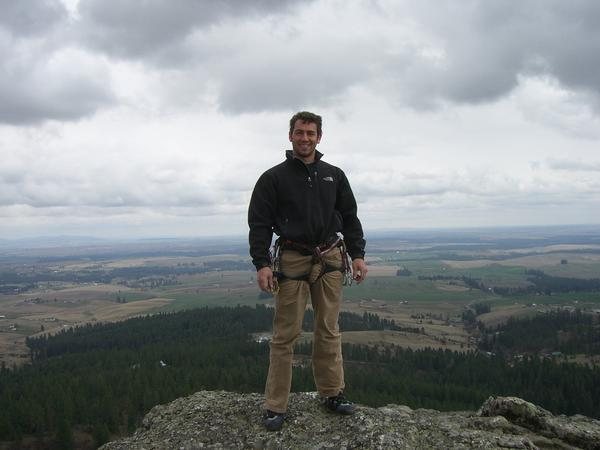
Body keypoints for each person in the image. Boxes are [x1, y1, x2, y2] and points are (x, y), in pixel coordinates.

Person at [248, 111, 367, 431]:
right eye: (299, 133)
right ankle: (276, 405)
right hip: (292, 259)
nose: (305, 138)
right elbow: (259, 224)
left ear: (319, 137)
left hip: (329, 256)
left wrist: (357, 255)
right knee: (285, 334)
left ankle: (332, 393)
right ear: (290, 136)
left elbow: (350, 217)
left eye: (310, 133)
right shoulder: (273, 178)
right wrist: (261, 263)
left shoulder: (335, 175)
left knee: (328, 328)